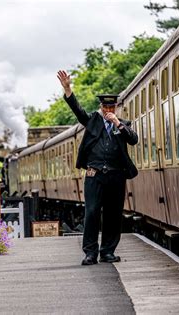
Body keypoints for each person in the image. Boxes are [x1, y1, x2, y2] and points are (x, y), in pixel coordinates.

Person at [57, 70, 138, 266]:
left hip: (116, 176)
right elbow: (78, 111)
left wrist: (117, 123)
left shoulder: (123, 125)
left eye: (111, 106)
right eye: (105, 106)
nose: (108, 109)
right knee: (92, 212)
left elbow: (133, 139)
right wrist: (68, 89)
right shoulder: (92, 120)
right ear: (100, 107)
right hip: (94, 175)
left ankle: (108, 251)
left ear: (116, 107)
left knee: (113, 214)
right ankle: (90, 253)